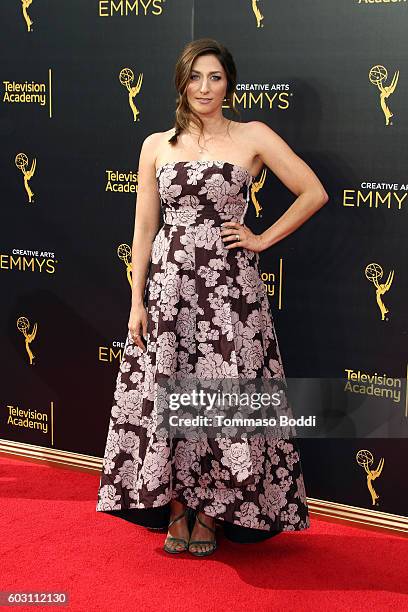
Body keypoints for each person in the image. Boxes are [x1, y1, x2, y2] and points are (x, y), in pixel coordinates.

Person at [96, 38, 329, 557]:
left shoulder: (253, 135)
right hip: (169, 288)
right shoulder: (156, 144)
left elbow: (313, 191)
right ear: (181, 82)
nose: (204, 87)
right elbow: (143, 230)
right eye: (195, 77)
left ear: (229, 82)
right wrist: (137, 301)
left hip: (230, 294)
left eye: (215, 77)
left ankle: (210, 512)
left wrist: (262, 237)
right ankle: (176, 507)